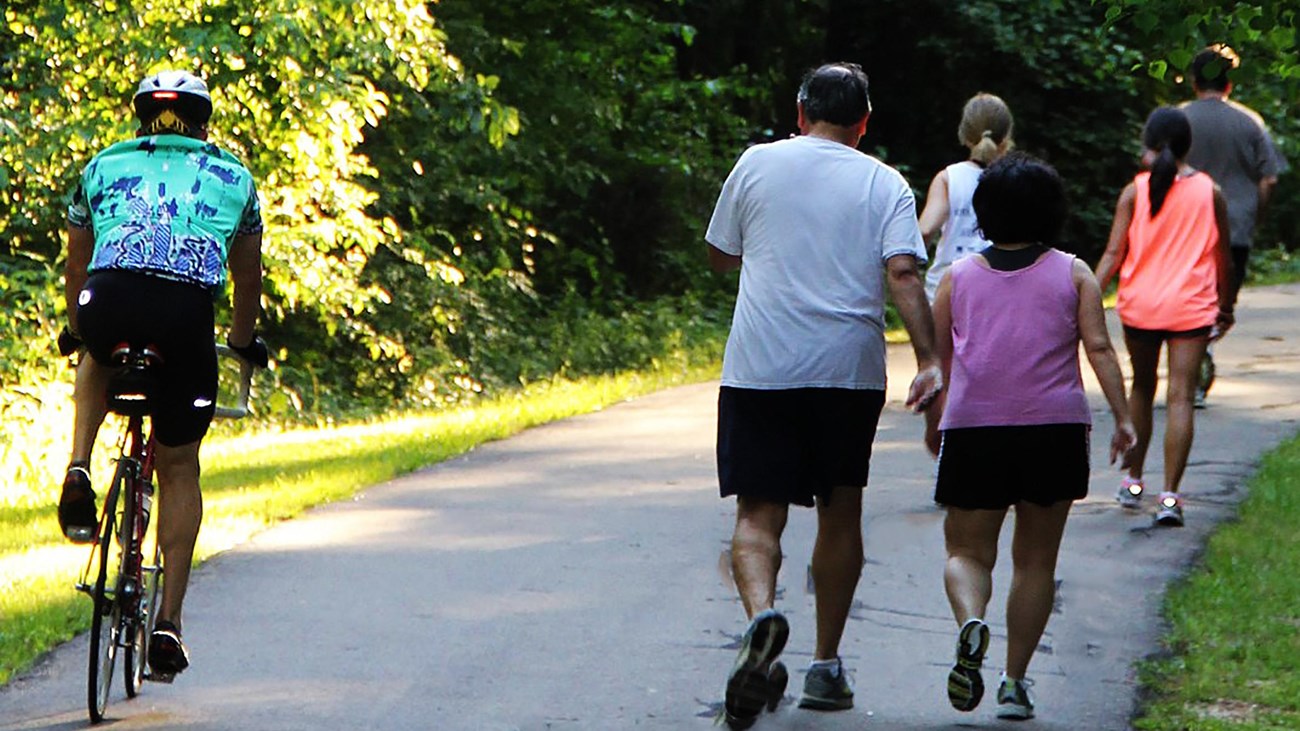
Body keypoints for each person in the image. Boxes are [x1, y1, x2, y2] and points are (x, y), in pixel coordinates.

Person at [705, 62, 943, 728]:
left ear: (801, 109)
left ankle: (762, 617)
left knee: (758, 512)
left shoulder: (756, 164)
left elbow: (720, 255)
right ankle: (826, 665)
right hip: (847, 371)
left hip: (760, 366)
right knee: (840, 512)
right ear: (864, 123)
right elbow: (902, 273)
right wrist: (929, 359)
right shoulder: (885, 181)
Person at [57, 69, 268, 678]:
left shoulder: (101, 165)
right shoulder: (234, 176)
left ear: (139, 117)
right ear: (204, 121)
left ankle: (78, 465)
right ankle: (169, 621)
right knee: (179, 467)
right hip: (183, 316)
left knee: (94, 349)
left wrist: (77, 323)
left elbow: (78, 259)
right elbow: (247, 278)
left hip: (109, 297)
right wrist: (243, 340)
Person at [925, 152, 1135, 720]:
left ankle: (972, 620)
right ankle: (1014, 683)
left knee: (966, 552)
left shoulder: (957, 277)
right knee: (1036, 562)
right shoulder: (1074, 273)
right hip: (1054, 431)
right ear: (1052, 211)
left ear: (984, 212)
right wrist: (1124, 418)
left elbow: (940, 360)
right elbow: (1098, 349)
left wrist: (932, 419)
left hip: (976, 431)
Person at [1094, 107, 1234, 527]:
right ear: (1187, 145)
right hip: (1190, 306)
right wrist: (1225, 306)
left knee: (1142, 387)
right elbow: (1223, 258)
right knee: (1179, 396)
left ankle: (1134, 483)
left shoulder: (1134, 192)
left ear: (1148, 144)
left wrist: (1082, 296)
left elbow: (1113, 255)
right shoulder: (1211, 192)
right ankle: (1170, 496)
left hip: (1141, 306)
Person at [1180, 44, 1289, 406]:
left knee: (1185, 300)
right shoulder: (1250, 122)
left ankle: (1189, 368)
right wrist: (1254, 215)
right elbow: (1269, 178)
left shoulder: (1178, 119)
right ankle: (1203, 353)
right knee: (1222, 304)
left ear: (1194, 81)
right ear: (1230, 83)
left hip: (1185, 230)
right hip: (1236, 227)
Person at [918, 93, 1014, 302]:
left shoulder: (948, 178)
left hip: (946, 290)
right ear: (1006, 137)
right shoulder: (1016, 179)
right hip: (999, 291)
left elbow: (925, 231)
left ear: (965, 135)